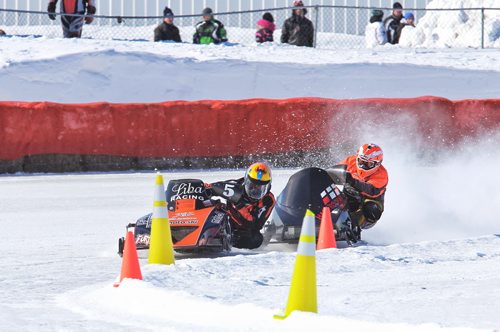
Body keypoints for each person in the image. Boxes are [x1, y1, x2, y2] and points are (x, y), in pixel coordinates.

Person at [204, 162, 276, 249]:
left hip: (245, 232)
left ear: (268, 186)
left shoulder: (268, 200)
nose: (255, 190)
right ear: (246, 180)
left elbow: (255, 225)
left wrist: (239, 205)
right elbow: (209, 188)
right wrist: (204, 189)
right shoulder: (234, 186)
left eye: (260, 187)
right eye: (252, 185)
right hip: (227, 223)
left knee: (256, 239)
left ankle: (229, 243)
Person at [338, 144, 388, 233]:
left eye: (368, 164)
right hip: (348, 193)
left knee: (371, 208)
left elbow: (372, 190)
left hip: (369, 202)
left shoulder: (382, 174)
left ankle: (352, 229)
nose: (363, 166)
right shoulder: (350, 160)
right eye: (361, 161)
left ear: (377, 164)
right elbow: (335, 172)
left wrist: (352, 182)